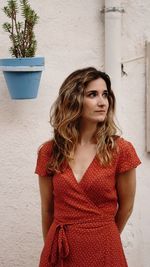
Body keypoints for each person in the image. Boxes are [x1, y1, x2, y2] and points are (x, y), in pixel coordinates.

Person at [35, 67, 141, 267]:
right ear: (73, 99)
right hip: (60, 250)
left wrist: (103, 234)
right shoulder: (49, 151)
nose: (102, 102)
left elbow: (126, 207)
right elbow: (47, 209)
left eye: (105, 94)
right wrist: (50, 249)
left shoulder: (120, 150)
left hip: (105, 248)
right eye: (92, 94)